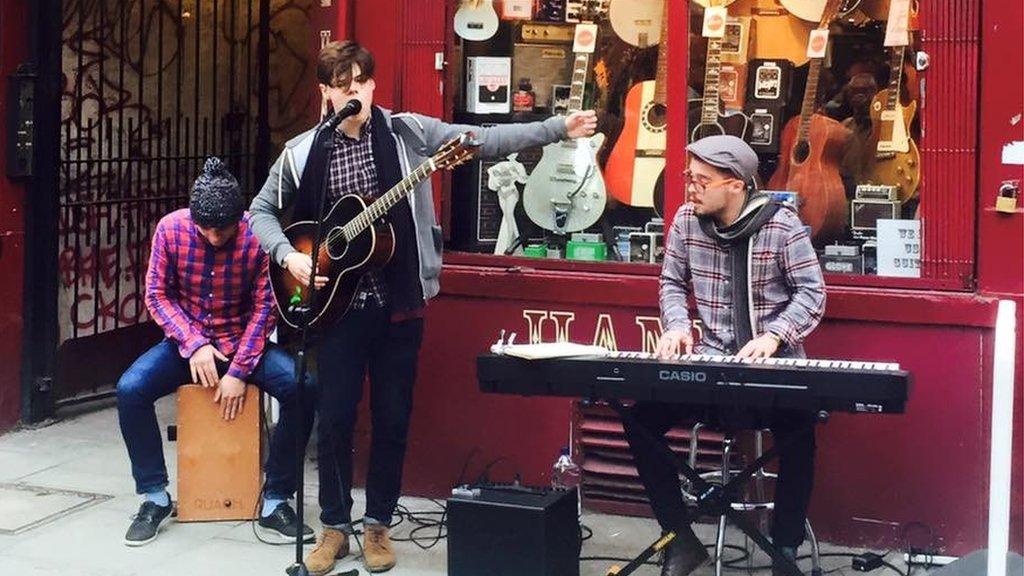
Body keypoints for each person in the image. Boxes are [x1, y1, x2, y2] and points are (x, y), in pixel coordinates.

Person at [248, 40, 597, 574]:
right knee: (336, 420)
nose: (356, 93)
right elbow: (261, 212)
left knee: (392, 420)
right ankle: (334, 527)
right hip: (332, 310)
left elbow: (486, 140)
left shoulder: (407, 133)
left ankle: (378, 525)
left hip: (399, 304)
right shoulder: (302, 151)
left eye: (362, 82)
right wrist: (287, 259)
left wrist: (555, 129)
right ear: (325, 93)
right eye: (344, 85)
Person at [622, 135, 826, 576]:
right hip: (711, 366)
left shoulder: (782, 226)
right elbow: (672, 282)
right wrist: (677, 326)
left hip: (772, 367)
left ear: (736, 184)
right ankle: (680, 538)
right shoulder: (684, 221)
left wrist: (775, 336)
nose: (690, 188)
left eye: (701, 180)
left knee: (801, 430)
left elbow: (812, 293)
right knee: (638, 420)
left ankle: (784, 548)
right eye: (687, 178)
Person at [116, 157, 316, 547]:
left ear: (238, 218)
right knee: (130, 390)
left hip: (244, 343)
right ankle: (154, 497)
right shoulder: (170, 229)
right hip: (186, 345)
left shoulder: (257, 236)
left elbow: (266, 308)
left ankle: (276, 499)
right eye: (204, 228)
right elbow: (157, 296)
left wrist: (239, 371)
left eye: (221, 230)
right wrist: (193, 344)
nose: (212, 236)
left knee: (303, 386)